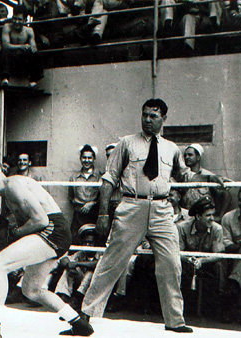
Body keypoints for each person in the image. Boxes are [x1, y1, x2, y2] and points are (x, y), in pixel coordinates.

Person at [82, 98, 193, 333]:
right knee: (112, 260)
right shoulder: (126, 143)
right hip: (132, 206)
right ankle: (86, 314)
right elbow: (109, 178)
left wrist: (214, 179)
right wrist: (103, 214)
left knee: (171, 263)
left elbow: (186, 175)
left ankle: (175, 321)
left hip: (162, 210)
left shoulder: (172, 148)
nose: (148, 120)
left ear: (164, 118)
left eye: (153, 116)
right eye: (145, 115)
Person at [0, 155, 93, 337]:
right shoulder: (7, 192)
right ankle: (79, 324)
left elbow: (40, 220)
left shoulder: (12, 185)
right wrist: (3, 225)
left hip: (51, 230)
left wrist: (13, 234)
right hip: (55, 232)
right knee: (31, 289)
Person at [178, 197, 226, 316]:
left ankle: (220, 305)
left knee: (219, 266)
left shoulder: (217, 229)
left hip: (207, 264)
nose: (212, 218)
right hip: (186, 263)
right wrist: (189, 259)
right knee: (175, 265)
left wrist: (203, 261)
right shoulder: (182, 227)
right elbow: (177, 251)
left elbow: (218, 255)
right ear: (198, 216)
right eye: (208, 215)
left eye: (213, 215)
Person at [221, 187, 241, 325]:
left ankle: (232, 287)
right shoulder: (228, 218)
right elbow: (225, 243)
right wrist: (240, 245)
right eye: (240, 200)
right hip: (235, 257)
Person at [181, 143, 232, 223]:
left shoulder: (209, 176)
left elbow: (226, 195)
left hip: (204, 220)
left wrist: (220, 216)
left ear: (198, 157)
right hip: (186, 218)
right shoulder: (182, 176)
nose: (187, 157)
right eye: (185, 155)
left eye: (190, 155)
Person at [0, 5, 44, 88]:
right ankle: (5, 79)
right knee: (4, 52)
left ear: (24, 20)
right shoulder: (7, 27)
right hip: (11, 61)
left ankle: (33, 81)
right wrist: (21, 46)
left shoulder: (29, 30)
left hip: (22, 62)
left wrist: (29, 48)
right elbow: (5, 46)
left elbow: (34, 48)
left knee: (37, 55)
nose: (16, 22)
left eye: (19, 19)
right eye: (15, 19)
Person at [68, 144, 100, 244]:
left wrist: (92, 203)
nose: (87, 160)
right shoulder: (74, 177)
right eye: (84, 157)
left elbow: (103, 196)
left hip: (94, 214)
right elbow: (70, 197)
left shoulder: (100, 176)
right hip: (79, 215)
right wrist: (80, 206)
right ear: (80, 159)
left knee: (95, 242)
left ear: (94, 159)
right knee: (75, 241)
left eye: (89, 158)